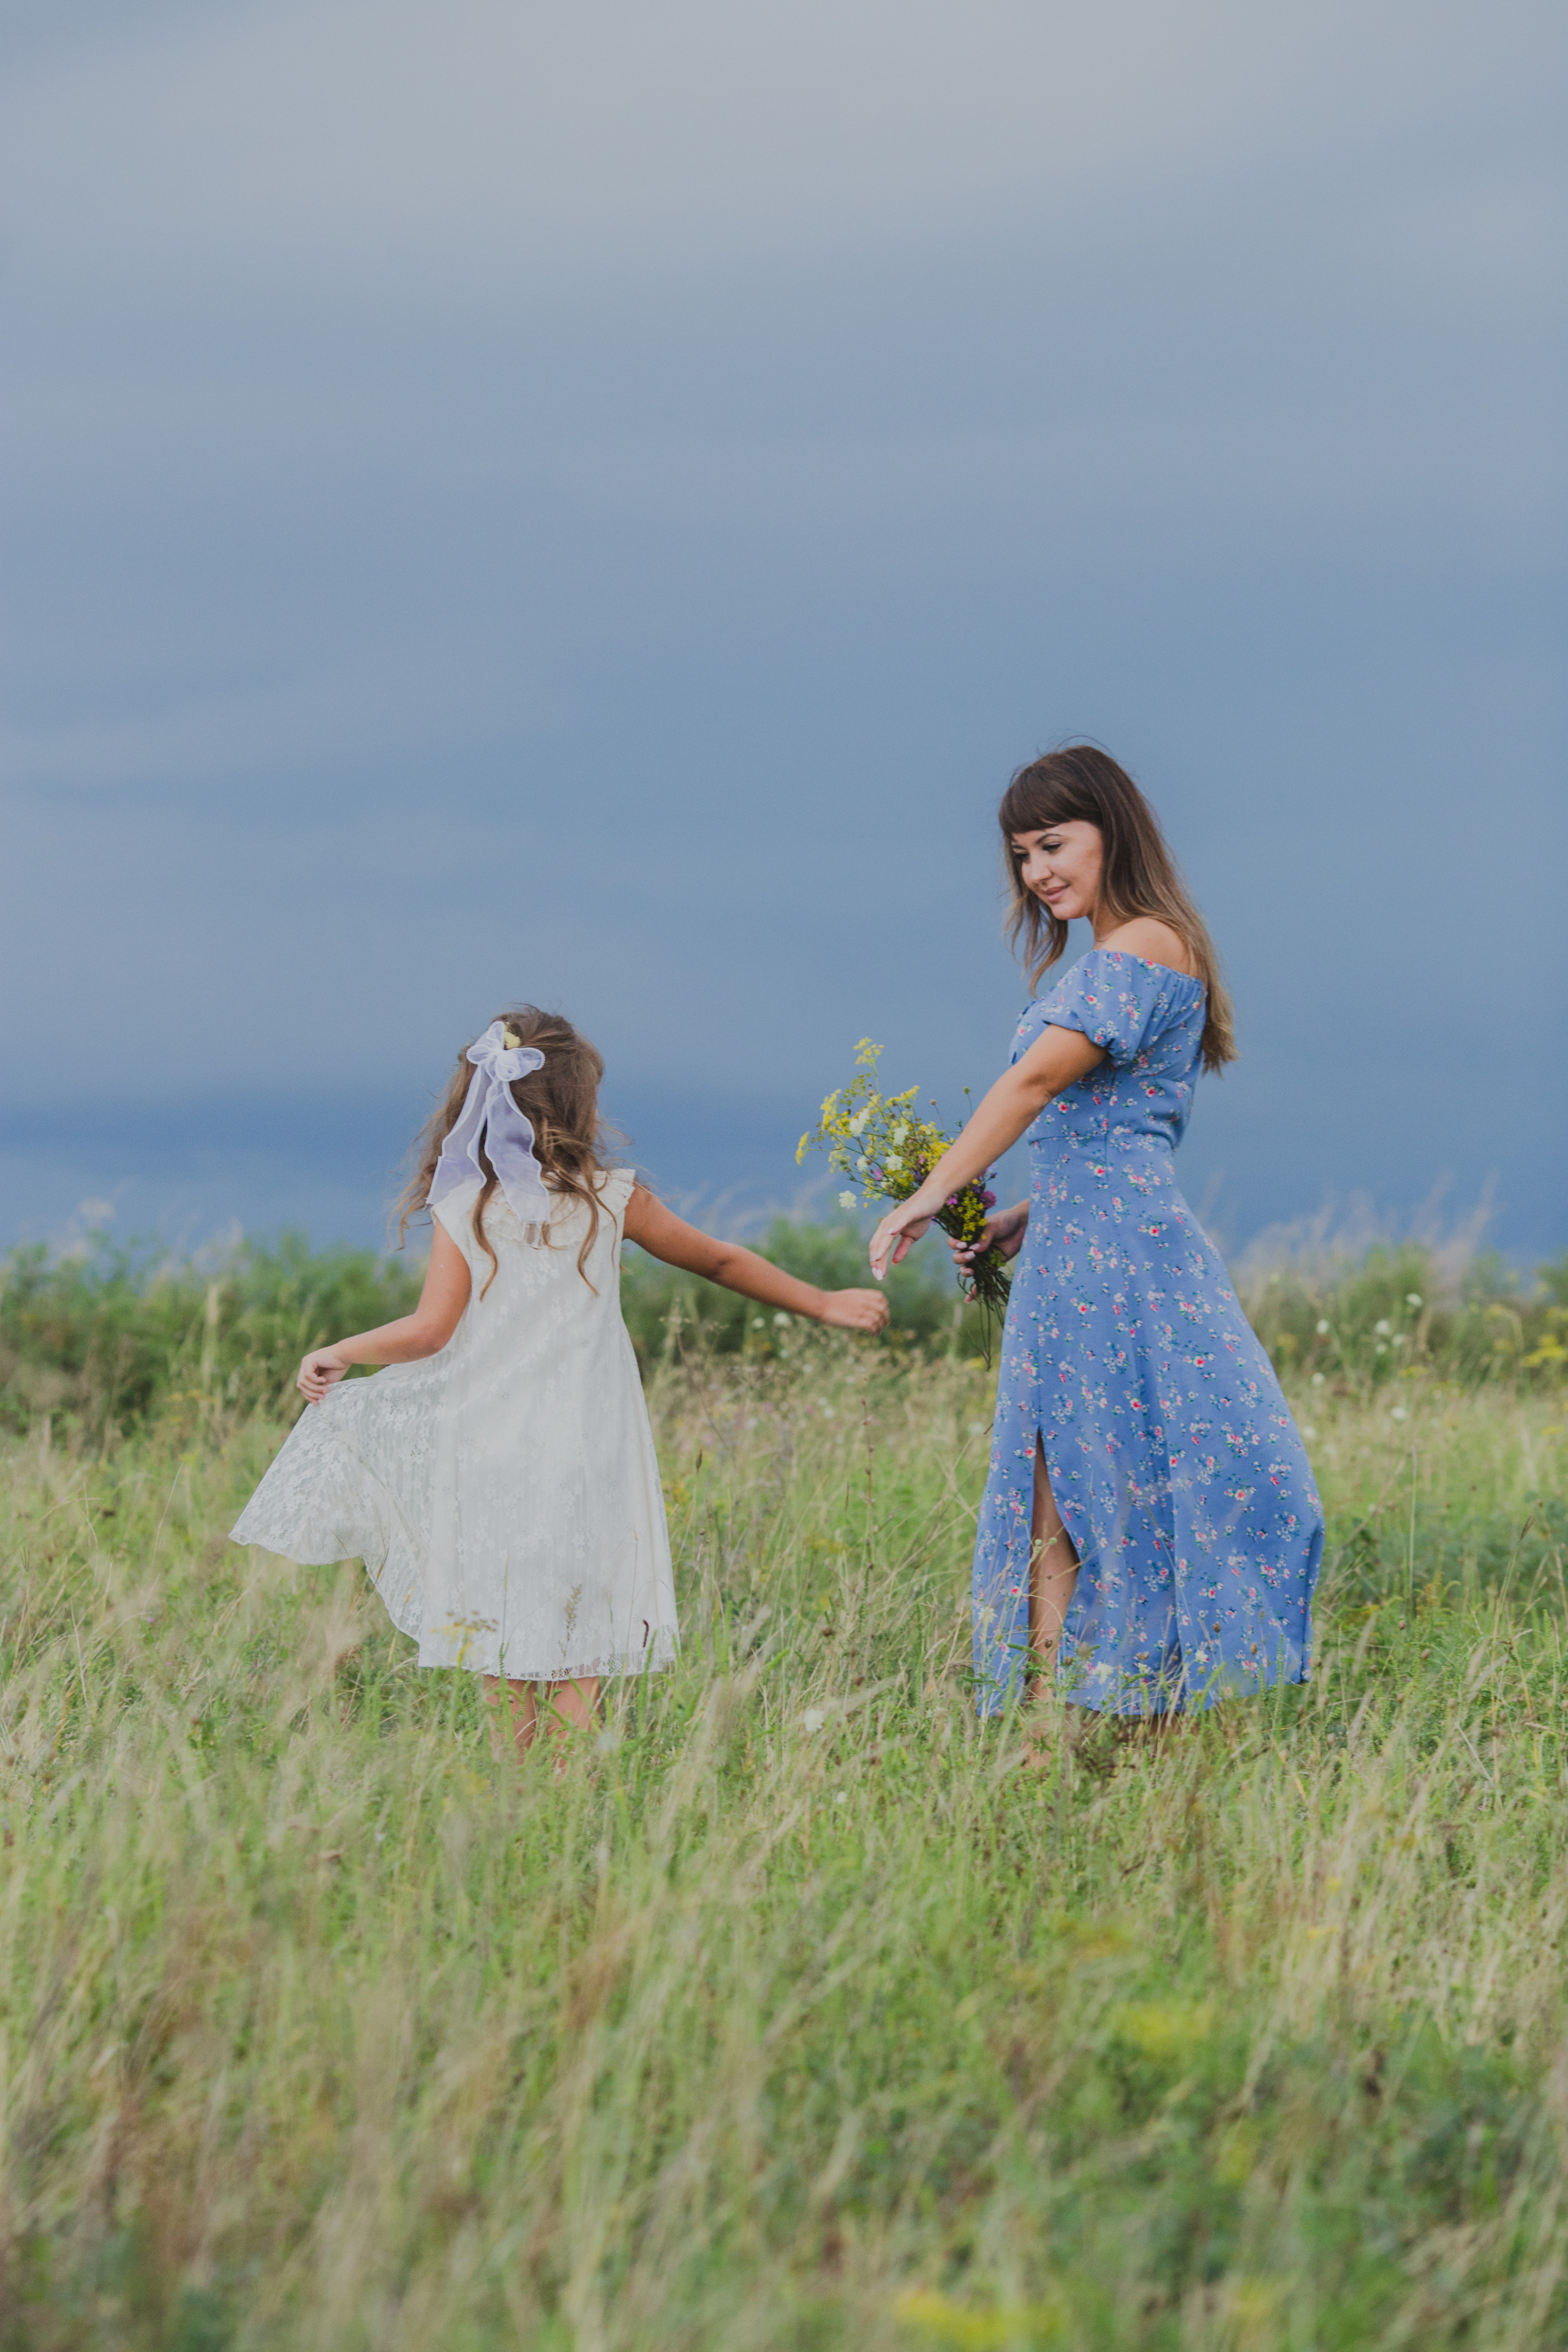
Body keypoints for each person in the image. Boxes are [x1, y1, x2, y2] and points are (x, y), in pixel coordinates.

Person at [232, 1008, 888, 1758]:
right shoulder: (613, 1199)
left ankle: (521, 1791)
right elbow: (719, 1261)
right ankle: (573, 1796)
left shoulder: (467, 1207)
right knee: (579, 1628)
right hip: (587, 1449)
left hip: (485, 1449)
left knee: (500, 1621)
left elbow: (428, 1332)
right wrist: (824, 1301)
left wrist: (343, 1349)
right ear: (578, 1104)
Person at [869, 747, 1323, 1737]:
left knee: (1141, 1474)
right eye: (1022, 854)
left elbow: (1035, 1088)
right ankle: (1051, 1722)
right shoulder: (1112, 958)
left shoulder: (1148, 945)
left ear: (1113, 831)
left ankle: (1129, 1707)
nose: (1037, 871)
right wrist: (1025, 1214)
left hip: (1127, 1256)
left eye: (1054, 842)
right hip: (1083, 1248)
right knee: (1062, 1485)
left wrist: (928, 1193)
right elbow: (1114, 1126)